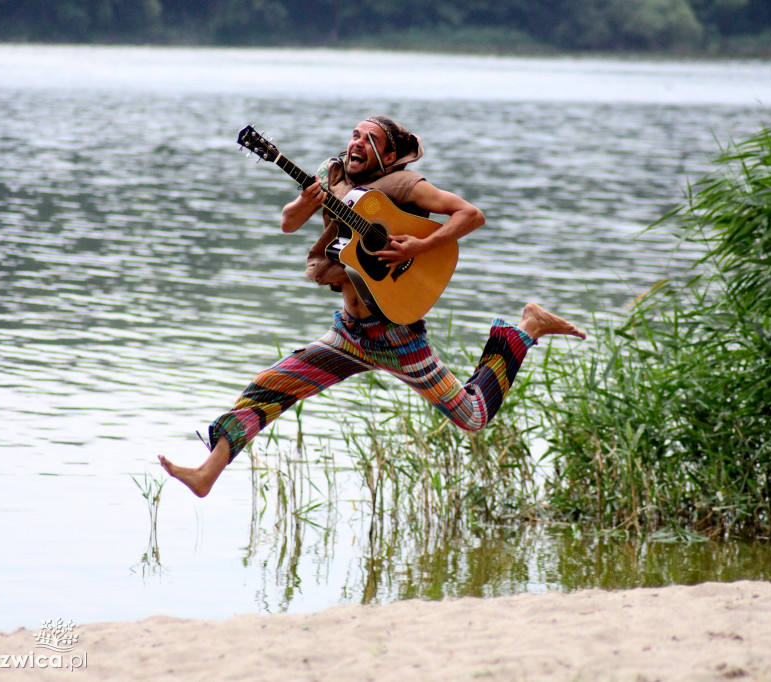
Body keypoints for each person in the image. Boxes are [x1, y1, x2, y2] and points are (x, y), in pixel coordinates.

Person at [159, 116, 584, 498]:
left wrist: (422, 243)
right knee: (270, 386)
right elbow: (289, 222)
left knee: (472, 416)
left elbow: (470, 215)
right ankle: (208, 473)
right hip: (348, 333)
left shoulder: (404, 186)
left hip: (398, 335)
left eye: (370, 138)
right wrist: (308, 201)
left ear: (390, 155)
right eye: (355, 134)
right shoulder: (332, 176)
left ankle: (526, 328)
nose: (357, 142)